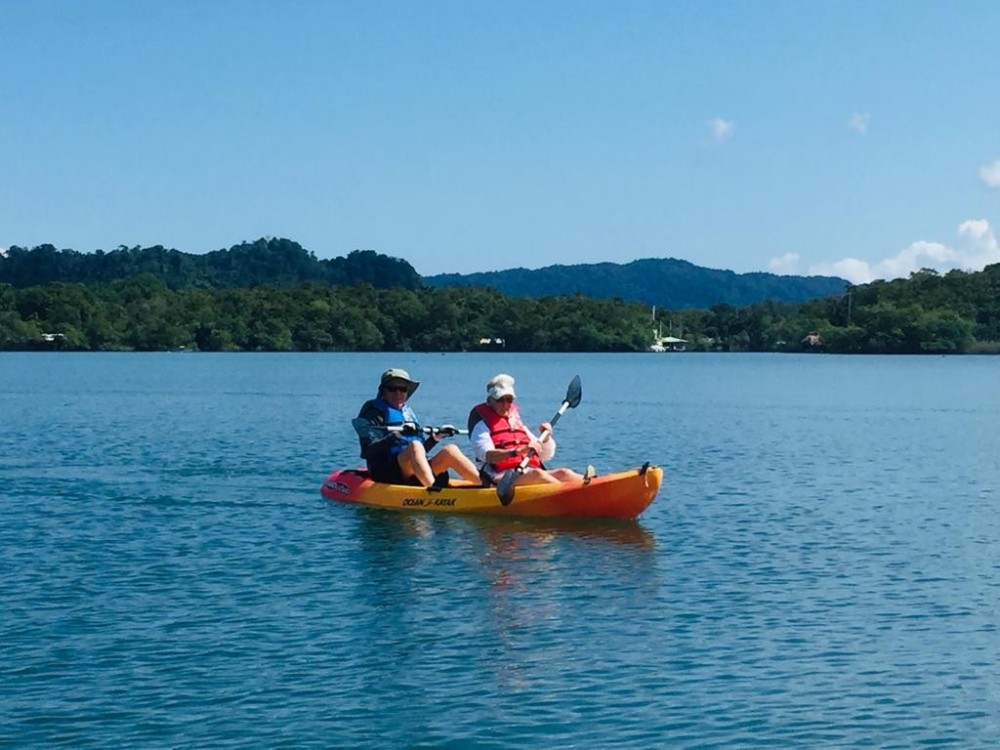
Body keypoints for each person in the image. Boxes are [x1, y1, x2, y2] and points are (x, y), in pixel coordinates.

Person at [356, 368, 481, 488]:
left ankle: (486, 485)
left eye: (403, 389)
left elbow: (419, 453)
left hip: (412, 471)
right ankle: (433, 492)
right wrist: (396, 435)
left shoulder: (406, 412)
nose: (398, 393)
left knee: (451, 450)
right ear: (384, 391)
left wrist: (436, 438)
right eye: (392, 389)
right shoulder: (373, 412)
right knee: (415, 445)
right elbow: (367, 451)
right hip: (387, 473)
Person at [468, 373, 595, 487]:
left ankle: (596, 484)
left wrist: (545, 438)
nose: (505, 404)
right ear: (490, 401)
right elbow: (487, 455)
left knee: (564, 473)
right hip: (501, 477)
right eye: (500, 400)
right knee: (539, 475)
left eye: (509, 400)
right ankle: (574, 496)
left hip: (527, 471)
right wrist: (515, 452)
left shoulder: (516, 423)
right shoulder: (482, 426)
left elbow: (545, 455)